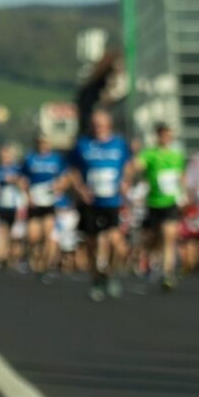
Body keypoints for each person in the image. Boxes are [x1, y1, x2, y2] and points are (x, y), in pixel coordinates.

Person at [68, 105, 131, 298]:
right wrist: (80, 188)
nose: (98, 128)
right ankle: (96, 278)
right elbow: (73, 170)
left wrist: (125, 180)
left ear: (109, 125)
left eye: (102, 125)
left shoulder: (119, 144)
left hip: (112, 200)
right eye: (95, 125)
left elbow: (129, 164)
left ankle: (110, 274)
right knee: (92, 242)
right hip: (90, 202)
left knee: (116, 243)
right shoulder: (82, 144)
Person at [130, 120, 187, 289]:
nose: (166, 137)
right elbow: (136, 166)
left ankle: (167, 274)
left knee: (169, 237)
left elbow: (181, 176)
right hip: (153, 202)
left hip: (170, 202)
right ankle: (147, 259)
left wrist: (184, 195)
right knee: (154, 238)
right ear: (158, 135)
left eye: (168, 134)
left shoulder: (176, 155)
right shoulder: (149, 153)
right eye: (163, 134)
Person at [22, 129, 66, 276]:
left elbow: (64, 177)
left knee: (48, 234)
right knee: (33, 236)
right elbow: (22, 178)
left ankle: (45, 264)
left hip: (49, 201)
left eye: (45, 143)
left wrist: (59, 186)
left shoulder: (56, 158)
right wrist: (26, 194)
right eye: (40, 143)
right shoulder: (30, 158)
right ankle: (35, 258)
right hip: (35, 201)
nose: (43, 145)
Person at [0, 145, 26, 269]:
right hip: (2, 205)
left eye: (6, 155)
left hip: (15, 206)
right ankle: (2, 258)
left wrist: (15, 180)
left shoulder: (17, 168)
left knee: (14, 236)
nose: (4, 158)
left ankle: (13, 258)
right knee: (2, 232)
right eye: (2, 156)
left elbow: (22, 183)